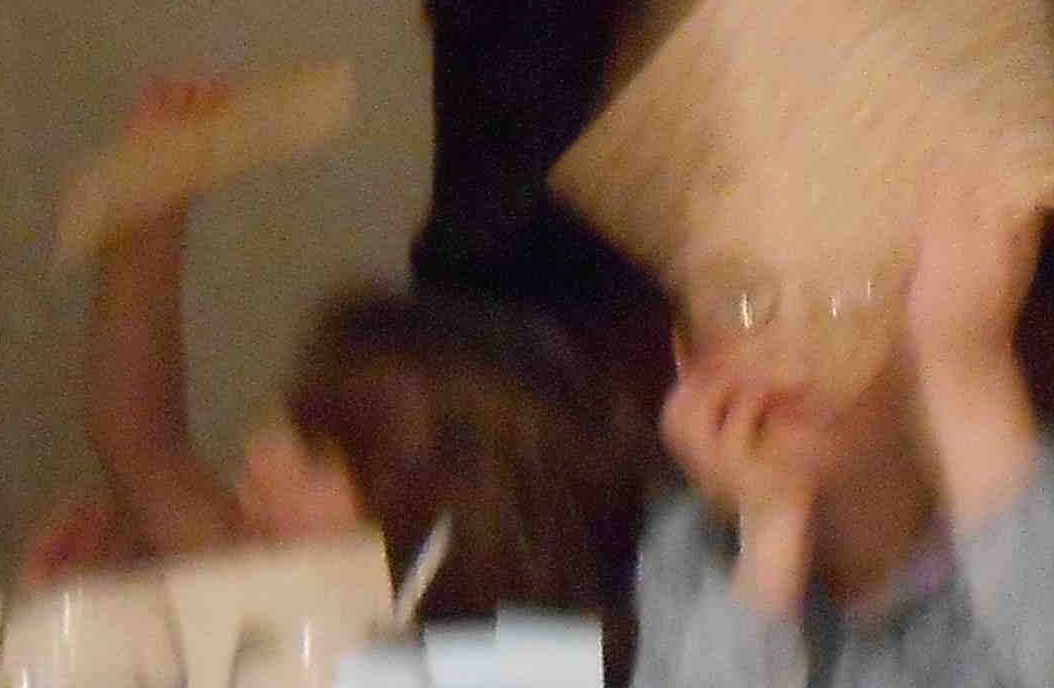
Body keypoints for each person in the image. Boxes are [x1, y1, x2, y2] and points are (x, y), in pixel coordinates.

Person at [607, 163, 1054, 688]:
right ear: (688, 358)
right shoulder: (697, 549)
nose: (794, 347)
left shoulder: (1039, 509)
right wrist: (771, 539)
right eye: (745, 299)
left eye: (847, 290)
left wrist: (969, 378)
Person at [49, 75, 647, 652]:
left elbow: (140, 446)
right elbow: (138, 439)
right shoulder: (269, 578)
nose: (257, 456)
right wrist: (152, 207)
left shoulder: (505, 682)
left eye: (316, 454)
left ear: (442, 522)